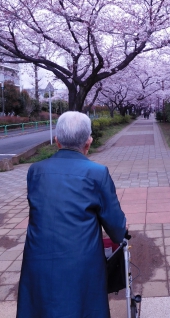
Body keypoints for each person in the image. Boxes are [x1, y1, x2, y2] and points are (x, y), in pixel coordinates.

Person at [17, 111, 126, 318]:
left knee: (40, 305)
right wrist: (120, 236)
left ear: (56, 141)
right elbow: (115, 224)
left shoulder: (35, 171)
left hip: (38, 256)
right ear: (89, 142)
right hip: (81, 259)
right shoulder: (97, 173)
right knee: (83, 306)